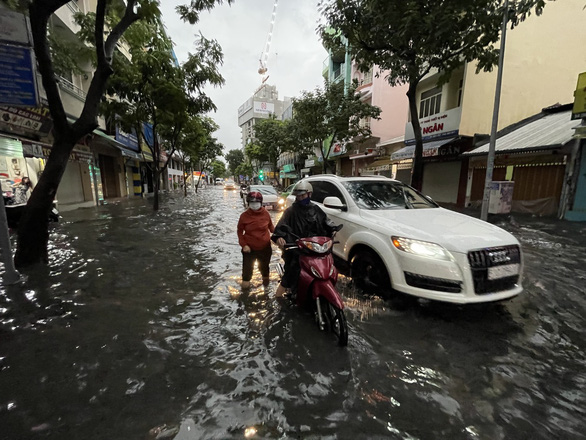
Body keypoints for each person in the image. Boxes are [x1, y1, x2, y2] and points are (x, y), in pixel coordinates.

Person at [271, 180, 339, 297]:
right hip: (297, 249)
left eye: (303, 195)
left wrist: (333, 229)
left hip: (315, 248)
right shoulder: (290, 211)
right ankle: (278, 297)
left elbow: (326, 222)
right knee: (291, 273)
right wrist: (280, 238)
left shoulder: (316, 209)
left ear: (309, 194)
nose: (301, 198)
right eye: (298, 196)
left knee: (329, 265)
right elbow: (281, 227)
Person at [237, 191, 275, 289]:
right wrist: (244, 245)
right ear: (248, 203)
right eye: (252, 203)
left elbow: (271, 228)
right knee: (246, 274)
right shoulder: (244, 216)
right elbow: (240, 232)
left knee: (265, 271)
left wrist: (280, 237)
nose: (254, 205)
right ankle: (245, 297)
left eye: (256, 203)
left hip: (265, 248)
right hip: (249, 249)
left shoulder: (266, 214)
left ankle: (266, 291)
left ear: (261, 203)